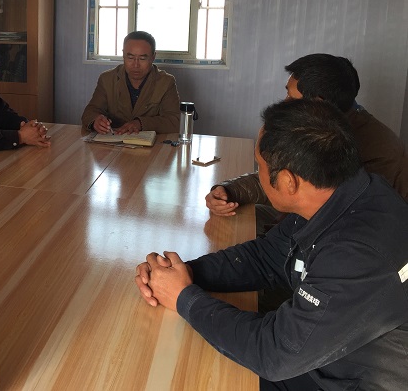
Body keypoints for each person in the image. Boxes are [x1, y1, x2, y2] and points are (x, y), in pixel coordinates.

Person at [135, 99, 408, 390]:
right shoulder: (338, 192)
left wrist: (184, 297)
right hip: (324, 355)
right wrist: (184, 274)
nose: (258, 174)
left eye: (260, 166)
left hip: (349, 380)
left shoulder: (356, 255)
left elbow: (275, 352)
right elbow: (266, 257)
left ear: (289, 182)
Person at [206, 53, 408, 219]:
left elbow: (329, 214)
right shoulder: (320, 127)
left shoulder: (378, 153)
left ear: (317, 104)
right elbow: (280, 176)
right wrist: (230, 191)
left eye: (292, 98)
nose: (284, 104)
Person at [81, 30, 180, 135]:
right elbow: (89, 112)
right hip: (113, 142)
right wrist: (96, 121)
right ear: (123, 55)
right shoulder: (107, 79)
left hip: (149, 143)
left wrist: (141, 123)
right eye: (130, 57)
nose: (135, 65)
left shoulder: (166, 82)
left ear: (153, 57)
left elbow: (175, 121)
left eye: (142, 58)